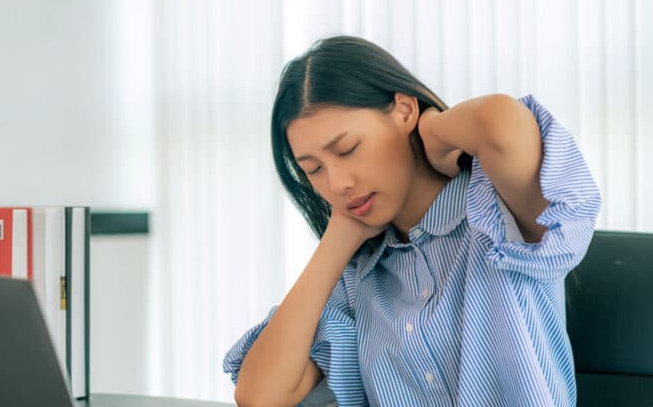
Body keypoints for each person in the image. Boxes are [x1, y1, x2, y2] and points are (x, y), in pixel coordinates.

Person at [222, 35, 601, 406]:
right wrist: (339, 236)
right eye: (314, 169)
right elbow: (260, 396)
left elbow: (498, 119)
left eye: (348, 149)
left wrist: (433, 130)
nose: (338, 183)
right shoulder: (362, 276)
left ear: (403, 111)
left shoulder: (497, 215)